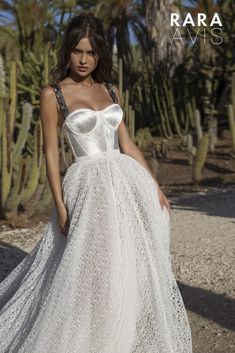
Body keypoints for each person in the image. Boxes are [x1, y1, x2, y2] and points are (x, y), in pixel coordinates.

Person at [0, 12, 192, 353]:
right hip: (88, 185)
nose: (84, 59)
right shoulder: (54, 94)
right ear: (68, 52)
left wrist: (156, 187)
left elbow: (128, 144)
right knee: (91, 265)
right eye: (77, 51)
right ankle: (87, 336)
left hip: (126, 182)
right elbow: (51, 154)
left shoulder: (109, 89)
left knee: (125, 259)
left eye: (90, 52)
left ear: (99, 53)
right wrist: (60, 206)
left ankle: (120, 331)